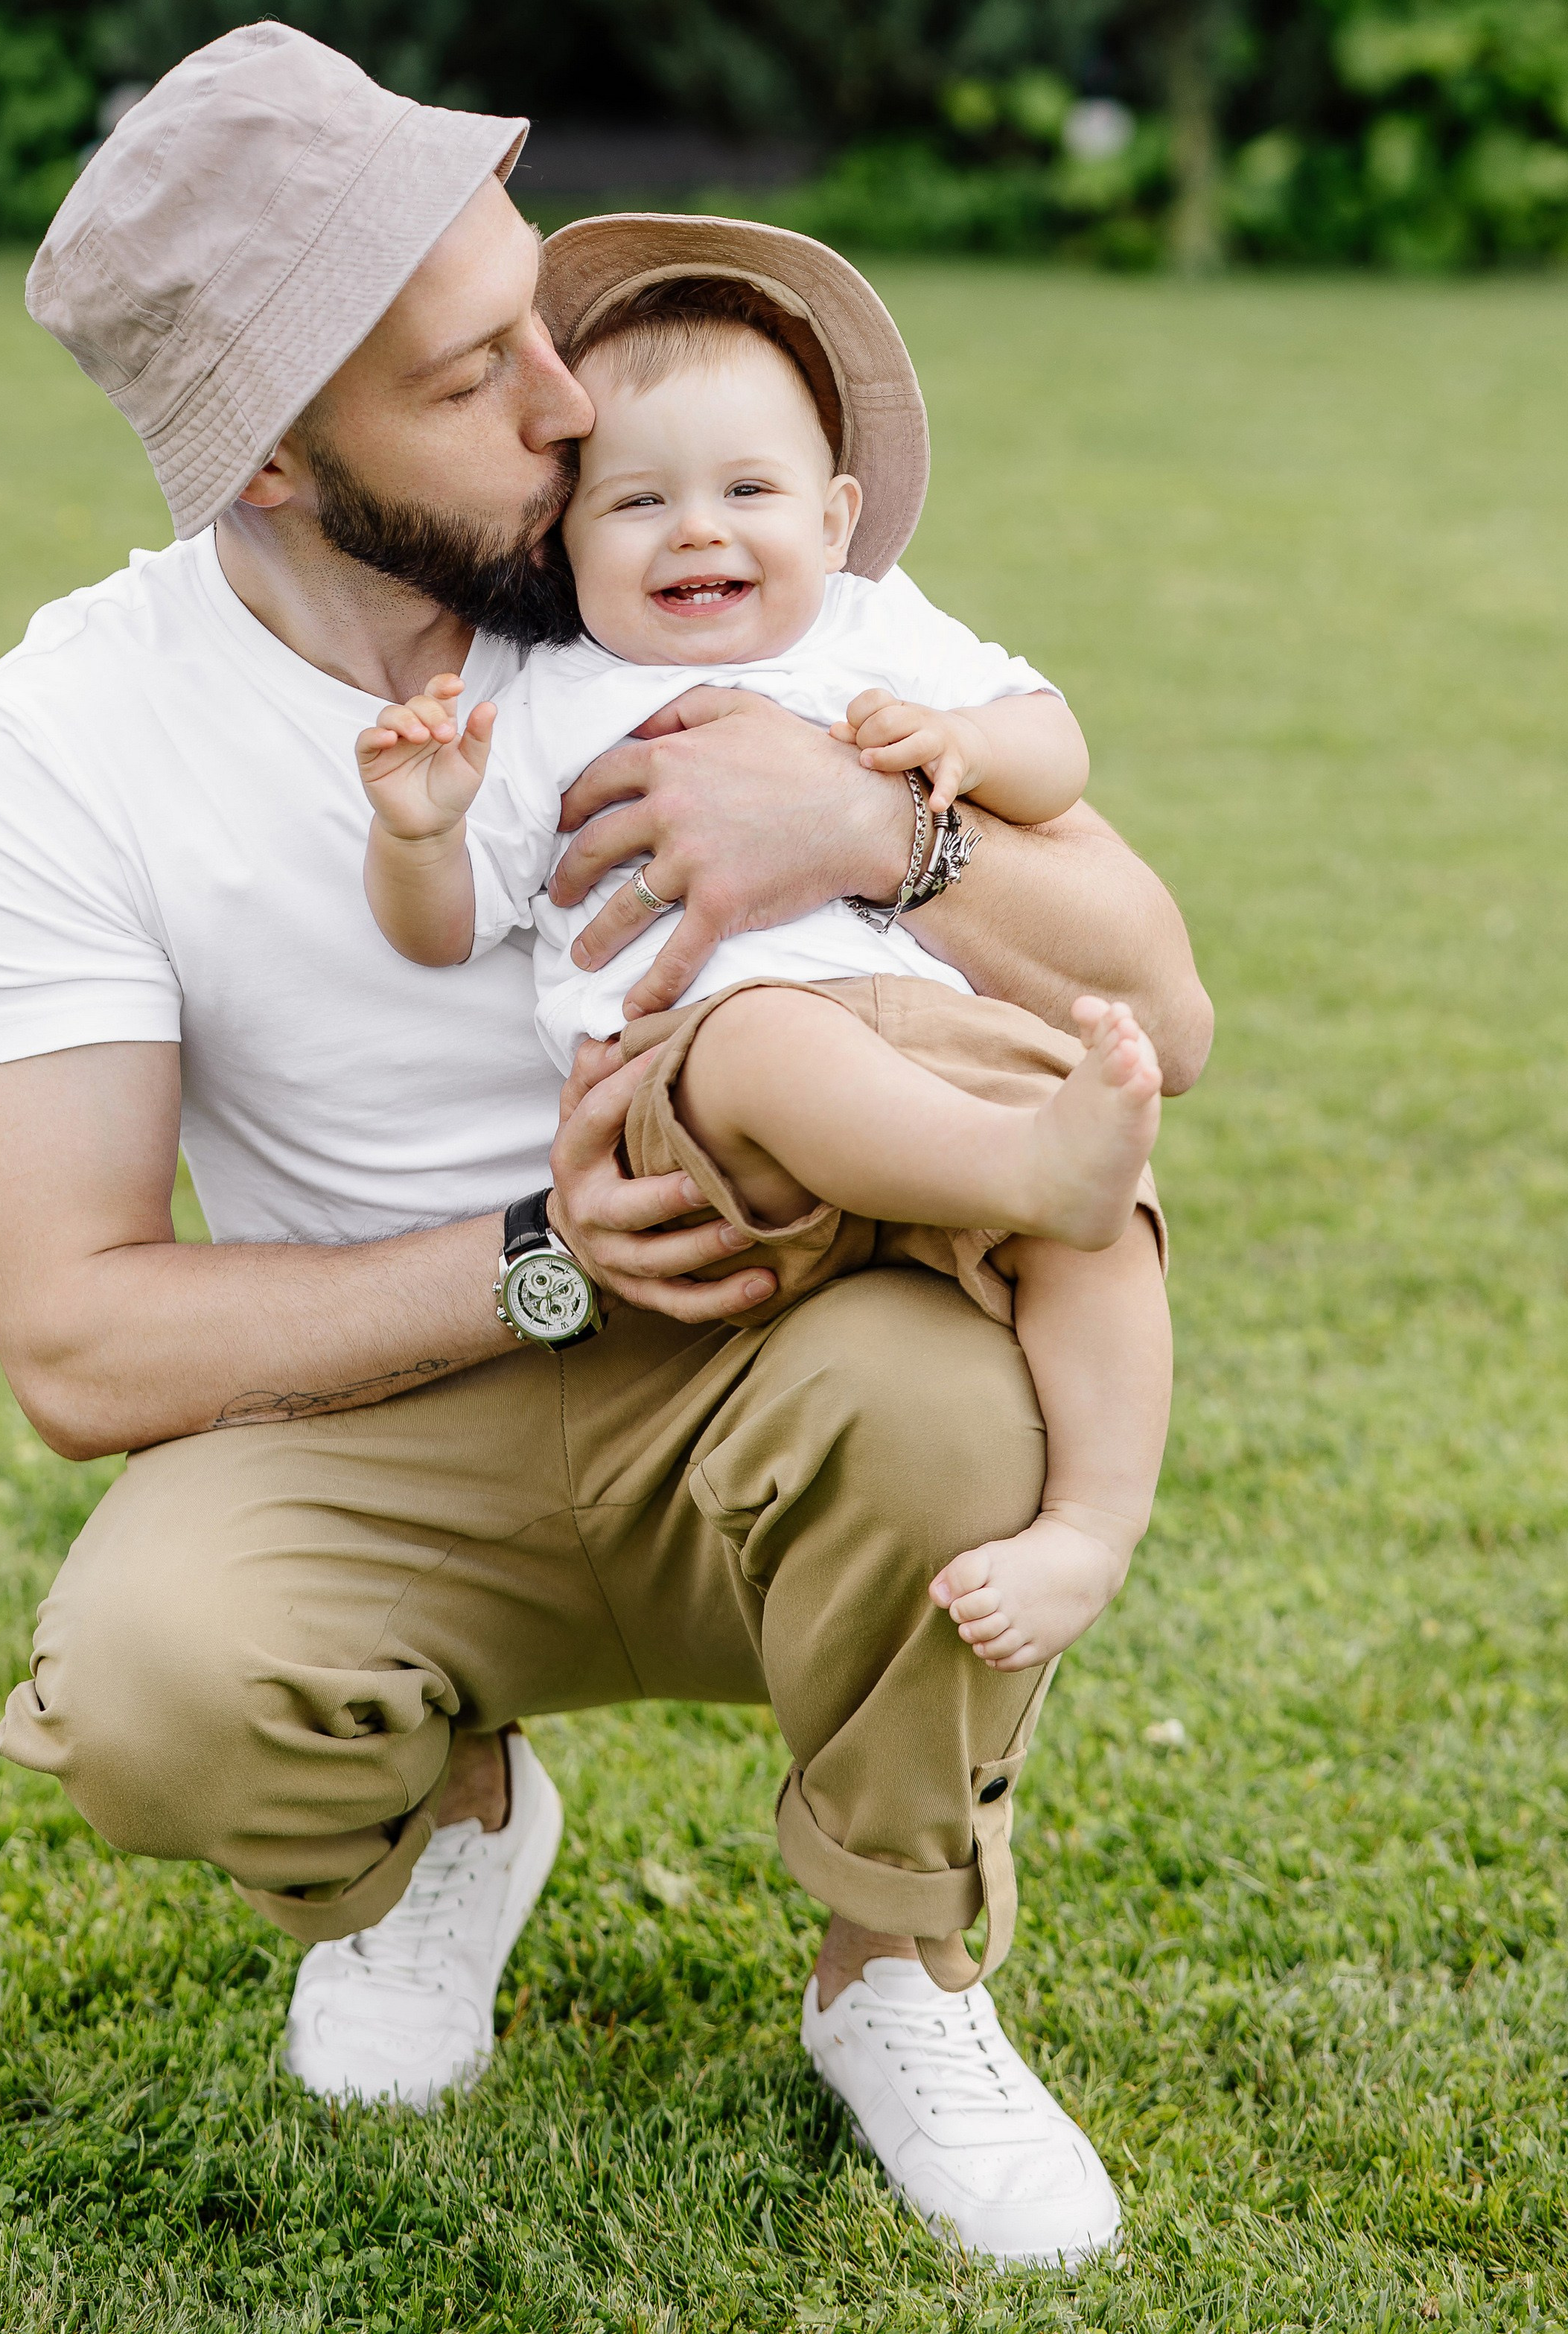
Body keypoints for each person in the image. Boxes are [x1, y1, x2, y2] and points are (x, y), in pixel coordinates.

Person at [0, 23, 1212, 2271]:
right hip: (405, 1408)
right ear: (277, 470)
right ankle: (447, 1830)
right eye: (467, 376)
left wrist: (871, 830)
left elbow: (1162, 1010)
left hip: (776, 1378)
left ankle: (895, 1967)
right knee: (149, 1674)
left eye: (536, 315)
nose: (565, 401)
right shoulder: (61, 745)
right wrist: (551, 1252)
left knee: (946, 1400)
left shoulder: (714, 591)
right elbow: (73, 1340)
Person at [358, 261, 1172, 1678]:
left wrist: (968, 751)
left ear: (835, 517)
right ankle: (1019, 1173)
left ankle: (1092, 1527)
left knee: (1106, 1215)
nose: (696, 533)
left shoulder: (877, 634)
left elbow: (1057, 742)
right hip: (701, 1077)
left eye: (748, 492)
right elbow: (437, 925)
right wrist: (420, 834)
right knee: (768, 1038)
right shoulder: (546, 702)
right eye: (637, 501)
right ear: (561, 547)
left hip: (936, 1038)